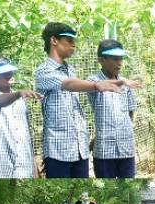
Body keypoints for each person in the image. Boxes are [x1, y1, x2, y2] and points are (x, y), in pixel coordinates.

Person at [34, 22, 123, 178]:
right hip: (58, 149)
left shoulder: (71, 70)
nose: (73, 45)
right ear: (54, 40)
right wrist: (97, 85)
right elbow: (67, 84)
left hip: (80, 148)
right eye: (69, 41)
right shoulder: (43, 71)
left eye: (74, 41)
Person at [0, 57, 40, 178]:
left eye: (10, 71)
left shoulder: (21, 100)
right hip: (0, 169)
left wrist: (34, 168)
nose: (10, 74)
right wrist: (18, 94)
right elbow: (0, 101)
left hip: (25, 168)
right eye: (4, 73)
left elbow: (26, 135)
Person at [87, 39, 140, 178]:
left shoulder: (126, 84)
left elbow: (130, 111)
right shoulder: (92, 81)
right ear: (101, 60)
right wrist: (121, 82)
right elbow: (96, 84)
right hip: (104, 149)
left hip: (126, 146)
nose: (120, 63)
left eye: (121, 58)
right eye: (115, 59)